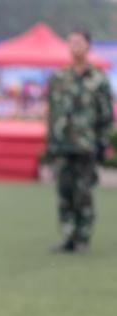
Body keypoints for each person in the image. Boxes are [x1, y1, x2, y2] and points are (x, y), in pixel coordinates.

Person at [46, 29, 114, 253]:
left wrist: (103, 144)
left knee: (83, 193)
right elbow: (52, 113)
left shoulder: (98, 79)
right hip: (62, 145)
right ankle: (68, 236)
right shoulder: (58, 78)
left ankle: (83, 237)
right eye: (71, 42)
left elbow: (106, 116)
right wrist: (51, 143)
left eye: (79, 42)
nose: (74, 46)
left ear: (88, 46)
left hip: (87, 145)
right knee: (64, 193)